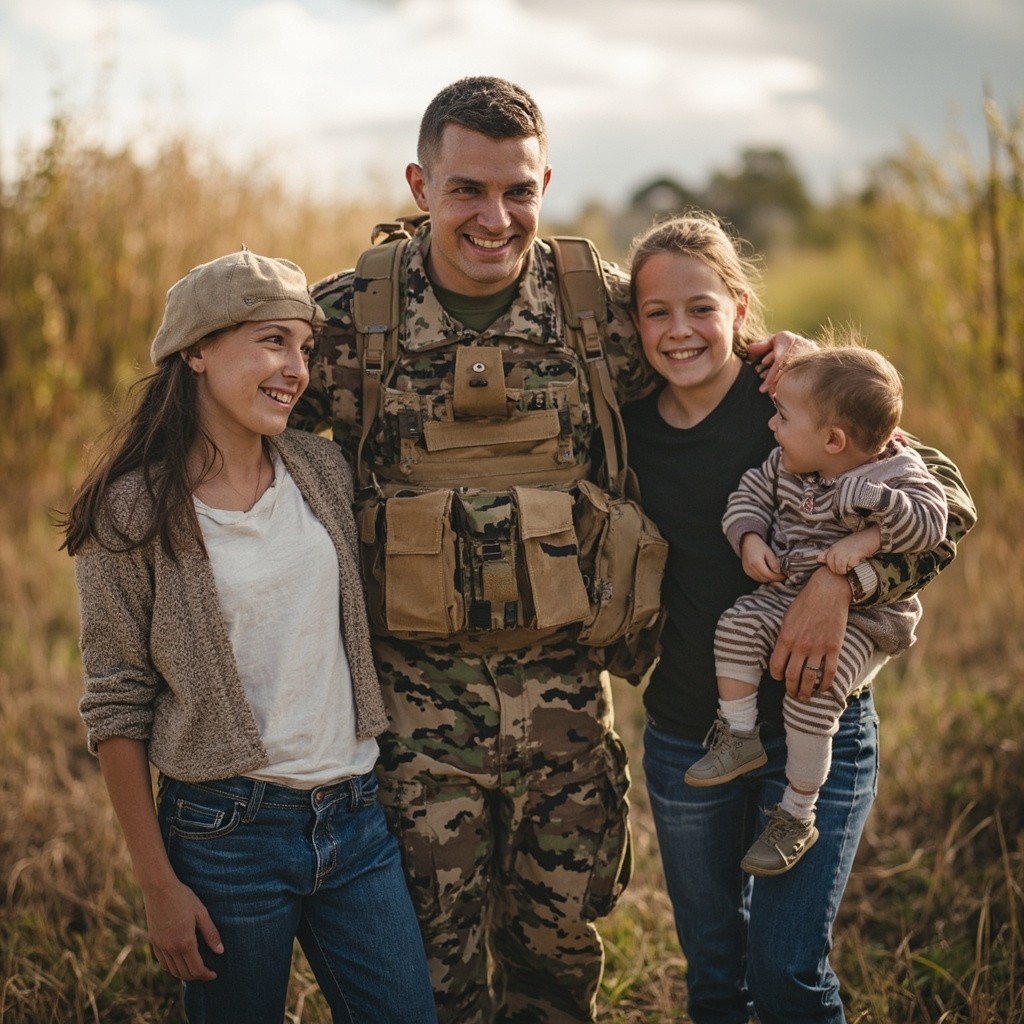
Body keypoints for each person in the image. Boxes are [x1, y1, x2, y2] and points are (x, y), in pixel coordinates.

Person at [290, 76, 656, 1024]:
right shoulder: (344, 323)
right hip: (412, 735)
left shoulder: (605, 315)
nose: (496, 218)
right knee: (423, 987)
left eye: (520, 191)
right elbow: (208, 427)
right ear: (420, 184)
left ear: (545, 185)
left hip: (570, 721)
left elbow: (760, 413)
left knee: (555, 981)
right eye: (467, 190)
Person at [63, 249, 437, 1024]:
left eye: (304, 347)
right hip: (224, 835)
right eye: (273, 342)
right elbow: (116, 703)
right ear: (195, 351)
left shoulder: (321, 468)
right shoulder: (130, 515)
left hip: (356, 817)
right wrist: (159, 886)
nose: (296, 368)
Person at [621, 212, 976, 1024]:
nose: (680, 331)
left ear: (741, 309)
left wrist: (842, 582)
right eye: (657, 312)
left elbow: (946, 499)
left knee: (788, 977)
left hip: (818, 721)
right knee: (715, 977)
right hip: (687, 733)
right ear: (633, 323)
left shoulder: (795, 395)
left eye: (701, 307)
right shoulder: (626, 423)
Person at [686, 343, 948, 877]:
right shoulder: (786, 463)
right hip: (785, 593)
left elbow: (932, 524)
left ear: (833, 440)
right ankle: (739, 734)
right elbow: (748, 495)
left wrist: (871, 530)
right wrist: (750, 537)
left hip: (868, 620)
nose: (772, 426)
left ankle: (797, 813)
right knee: (735, 625)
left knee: (814, 689)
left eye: (782, 417)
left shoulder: (896, 472)